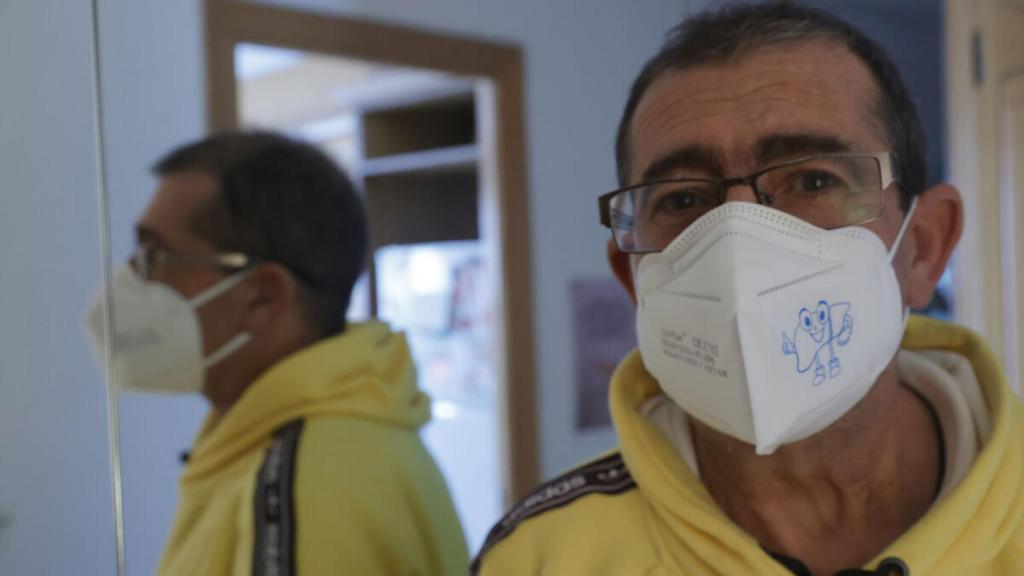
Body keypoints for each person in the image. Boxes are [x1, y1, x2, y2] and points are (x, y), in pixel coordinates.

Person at [471, 3, 1024, 575]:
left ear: (924, 247)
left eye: (813, 180)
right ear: (633, 278)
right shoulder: (540, 558)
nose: (738, 242)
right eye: (682, 199)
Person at [86, 131, 468, 575]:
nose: (132, 278)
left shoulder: (310, 487)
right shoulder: (287, 441)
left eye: (155, 255)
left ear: (261, 296)